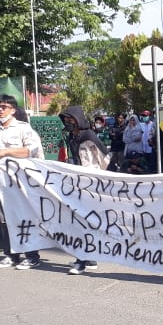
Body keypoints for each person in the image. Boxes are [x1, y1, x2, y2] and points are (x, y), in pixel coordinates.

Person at [0, 94, 44, 271]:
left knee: (25, 216)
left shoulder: (23, 129)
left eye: (4, 107)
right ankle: (11, 254)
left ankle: (32, 255)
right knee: (4, 218)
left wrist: (5, 152)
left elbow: (32, 151)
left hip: (20, 181)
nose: (0, 110)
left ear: (13, 109)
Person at [59, 106, 111, 275]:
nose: (68, 122)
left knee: (83, 221)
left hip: (91, 185)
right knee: (82, 221)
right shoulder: (71, 138)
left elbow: (105, 159)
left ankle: (81, 260)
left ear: (78, 119)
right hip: (77, 185)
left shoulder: (89, 136)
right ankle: (89, 258)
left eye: (70, 119)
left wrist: (93, 174)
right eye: (65, 120)